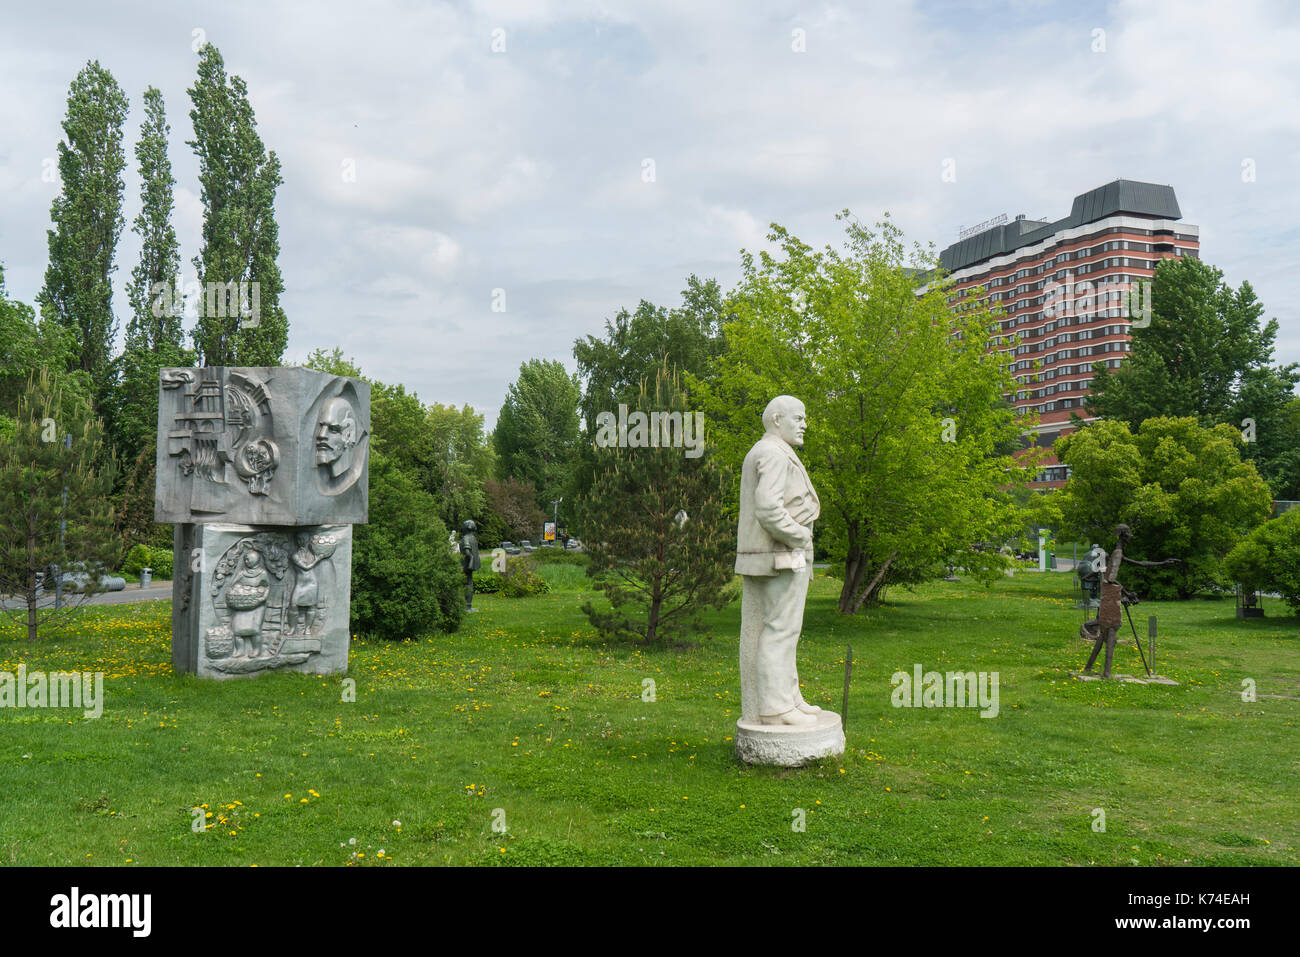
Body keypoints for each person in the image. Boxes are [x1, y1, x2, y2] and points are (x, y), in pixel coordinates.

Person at [736, 396, 822, 726]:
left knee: (786, 630)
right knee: (779, 630)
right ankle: (775, 707)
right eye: (798, 418)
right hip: (780, 556)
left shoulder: (771, 451)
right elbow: (769, 509)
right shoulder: (771, 453)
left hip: (781, 555)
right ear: (776, 419)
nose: (804, 424)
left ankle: (789, 699)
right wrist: (801, 536)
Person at [1082, 524, 1179, 678]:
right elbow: (1111, 578)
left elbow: (1140, 563)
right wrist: (1125, 592)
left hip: (1109, 594)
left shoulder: (1117, 552)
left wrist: (1163, 563)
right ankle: (1106, 672)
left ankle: (1089, 668)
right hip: (1110, 596)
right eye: (1129, 533)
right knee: (1112, 629)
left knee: (1104, 633)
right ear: (1123, 535)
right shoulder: (1117, 553)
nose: (1131, 536)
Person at [460, 520, 481, 612]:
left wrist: (470, 559)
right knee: (470, 583)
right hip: (470, 564)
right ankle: (468, 605)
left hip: (466, 564)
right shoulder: (473, 537)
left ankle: (467, 606)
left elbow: (468, 551)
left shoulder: (466, 538)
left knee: (467, 584)